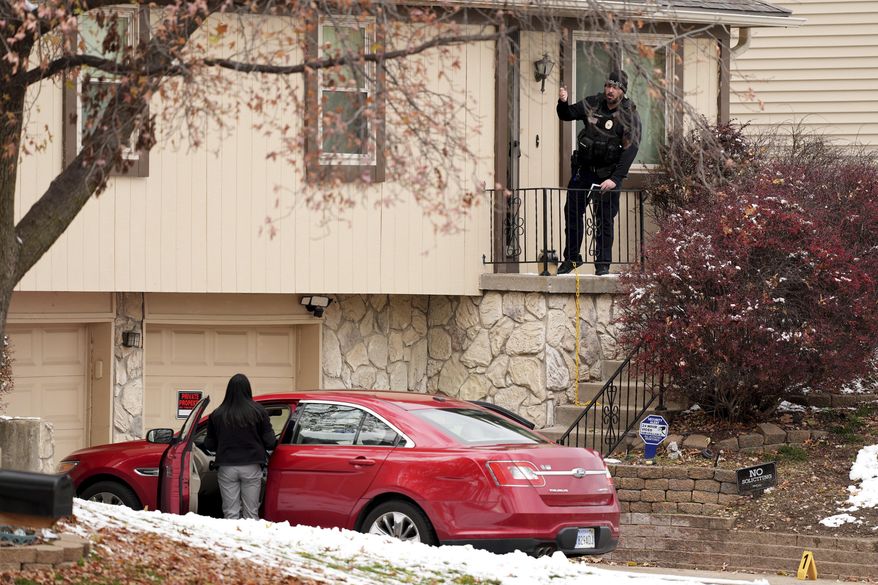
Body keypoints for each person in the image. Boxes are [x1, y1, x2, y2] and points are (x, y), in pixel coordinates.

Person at [556, 69, 641, 275]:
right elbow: (566, 115)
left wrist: (616, 178)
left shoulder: (629, 115)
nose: (609, 90)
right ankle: (572, 258)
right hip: (585, 170)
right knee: (573, 212)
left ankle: (602, 263)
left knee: (604, 218)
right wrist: (563, 102)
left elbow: (631, 149)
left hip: (609, 174)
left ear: (622, 90)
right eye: (607, 86)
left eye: (614, 87)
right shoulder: (593, 103)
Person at [203, 373, 277, 520]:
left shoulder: (217, 414)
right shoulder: (258, 411)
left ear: (228, 391)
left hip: (226, 467)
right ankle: (249, 541)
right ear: (248, 389)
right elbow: (270, 442)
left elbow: (210, 445)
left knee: (230, 512)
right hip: (251, 466)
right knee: (251, 513)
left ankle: (231, 542)